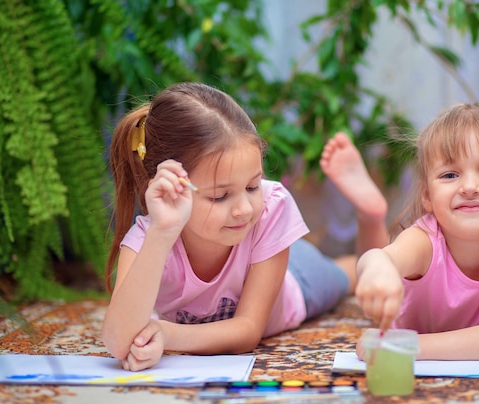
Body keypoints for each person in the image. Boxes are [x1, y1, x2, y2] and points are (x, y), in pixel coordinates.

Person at [102, 82, 383, 372]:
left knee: (353, 275)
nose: (244, 209)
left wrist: (167, 333)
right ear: (172, 188)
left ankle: (370, 216)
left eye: (252, 186)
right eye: (220, 196)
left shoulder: (267, 210)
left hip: (296, 278)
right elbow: (117, 341)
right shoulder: (150, 237)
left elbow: (248, 330)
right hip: (261, 253)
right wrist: (161, 234)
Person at [340, 103, 479, 361]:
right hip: (431, 316)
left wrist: (404, 346)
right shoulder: (425, 240)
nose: (470, 187)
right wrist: (378, 269)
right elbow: (380, 257)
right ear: (427, 196)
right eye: (450, 175)